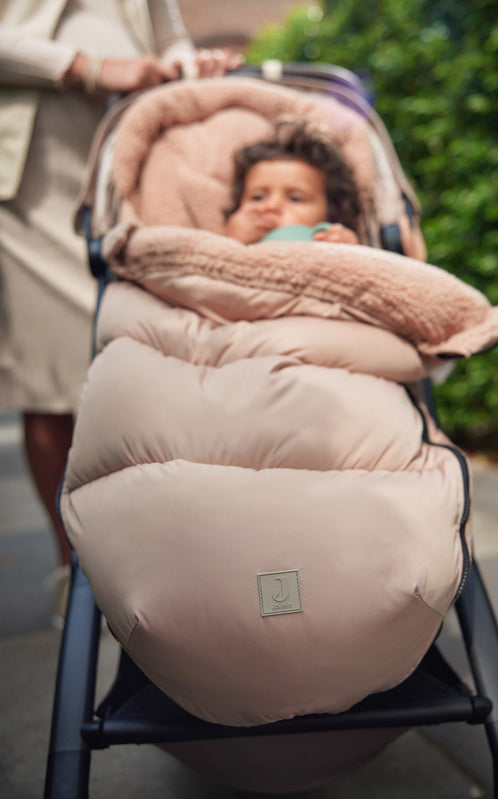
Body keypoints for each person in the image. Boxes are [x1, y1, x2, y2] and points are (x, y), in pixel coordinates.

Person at [0, 0, 241, 614]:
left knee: (156, 355)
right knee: (55, 376)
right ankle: (77, 578)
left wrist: (185, 62)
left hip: (137, 151)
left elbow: (164, 27)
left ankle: (163, 556)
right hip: (35, 165)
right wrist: (88, 66)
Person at [224, 119, 362, 246]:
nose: (271, 206)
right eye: (258, 197)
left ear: (331, 213)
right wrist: (233, 241)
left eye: (295, 198)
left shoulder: (328, 242)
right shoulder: (232, 242)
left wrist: (348, 249)